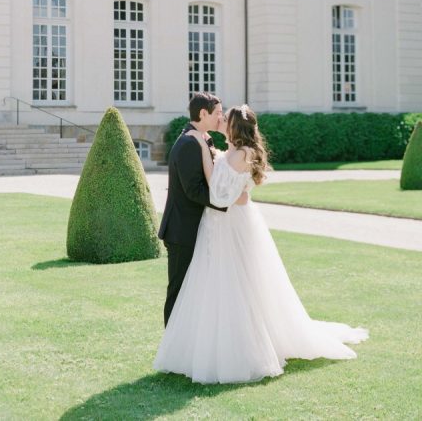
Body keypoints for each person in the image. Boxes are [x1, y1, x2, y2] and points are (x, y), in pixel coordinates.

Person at [154, 104, 368, 384]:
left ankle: (244, 347)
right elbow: (226, 184)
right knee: (214, 285)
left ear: (234, 127)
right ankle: (201, 343)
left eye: (225, 118)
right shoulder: (233, 151)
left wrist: (205, 151)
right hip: (220, 224)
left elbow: (219, 195)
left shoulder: (243, 153)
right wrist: (209, 150)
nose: (221, 121)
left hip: (230, 225)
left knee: (238, 286)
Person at [158, 92, 247, 326]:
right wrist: (226, 200)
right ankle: (172, 343)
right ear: (202, 113)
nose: (221, 117)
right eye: (217, 113)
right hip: (182, 231)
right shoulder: (189, 142)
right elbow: (194, 191)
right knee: (178, 291)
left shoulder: (202, 138)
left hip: (199, 228)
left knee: (195, 293)